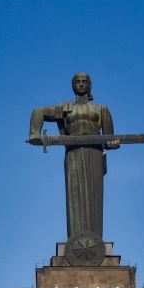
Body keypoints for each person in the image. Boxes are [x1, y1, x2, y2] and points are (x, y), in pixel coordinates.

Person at [28, 72, 117, 240]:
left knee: (94, 197)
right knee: (74, 195)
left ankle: (94, 239)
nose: (81, 84)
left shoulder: (101, 109)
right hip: (73, 153)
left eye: (84, 81)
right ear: (72, 85)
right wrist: (34, 134)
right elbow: (38, 112)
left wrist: (112, 143)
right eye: (77, 81)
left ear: (90, 85)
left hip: (94, 153)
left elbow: (110, 138)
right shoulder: (65, 107)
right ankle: (76, 239)